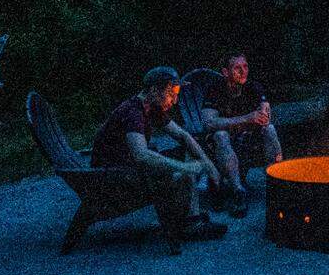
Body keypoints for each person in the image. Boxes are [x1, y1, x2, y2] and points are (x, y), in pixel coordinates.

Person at [92, 66, 227, 252]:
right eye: (171, 94)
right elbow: (141, 154)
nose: (174, 100)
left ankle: (191, 219)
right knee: (182, 169)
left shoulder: (151, 108)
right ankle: (191, 224)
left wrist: (209, 165)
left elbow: (183, 136)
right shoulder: (133, 112)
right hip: (114, 176)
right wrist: (184, 168)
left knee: (187, 153)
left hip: (128, 169)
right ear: (155, 90)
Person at [200, 53, 283, 218]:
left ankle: (278, 184)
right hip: (221, 142)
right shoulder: (215, 89)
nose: (243, 71)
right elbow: (208, 123)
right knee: (221, 135)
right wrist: (246, 119)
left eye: (245, 67)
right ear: (225, 72)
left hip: (248, 138)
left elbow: (265, 112)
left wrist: (263, 115)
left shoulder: (253, 87)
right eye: (237, 68)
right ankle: (238, 191)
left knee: (270, 129)